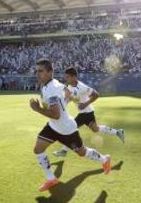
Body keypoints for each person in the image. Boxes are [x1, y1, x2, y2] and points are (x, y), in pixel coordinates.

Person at [30, 59, 111, 192]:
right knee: (38, 149)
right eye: (37, 71)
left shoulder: (52, 88)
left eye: (41, 71)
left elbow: (55, 114)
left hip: (67, 129)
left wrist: (36, 108)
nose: (37, 74)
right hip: (53, 126)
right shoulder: (52, 84)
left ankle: (105, 159)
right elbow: (67, 91)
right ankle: (51, 179)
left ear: (50, 72)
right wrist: (67, 99)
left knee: (82, 152)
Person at [53, 67, 125, 157]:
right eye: (66, 77)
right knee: (96, 129)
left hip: (86, 113)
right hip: (87, 113)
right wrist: (62, 105)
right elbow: (69, 98)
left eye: (67, 77)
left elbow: (96, 94)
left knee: (70, 129)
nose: (66, 79)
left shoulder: (82, 87)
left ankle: (64, 151)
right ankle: (117, 132)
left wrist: (85, 104)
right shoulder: (69, 87)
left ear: (74, 77)